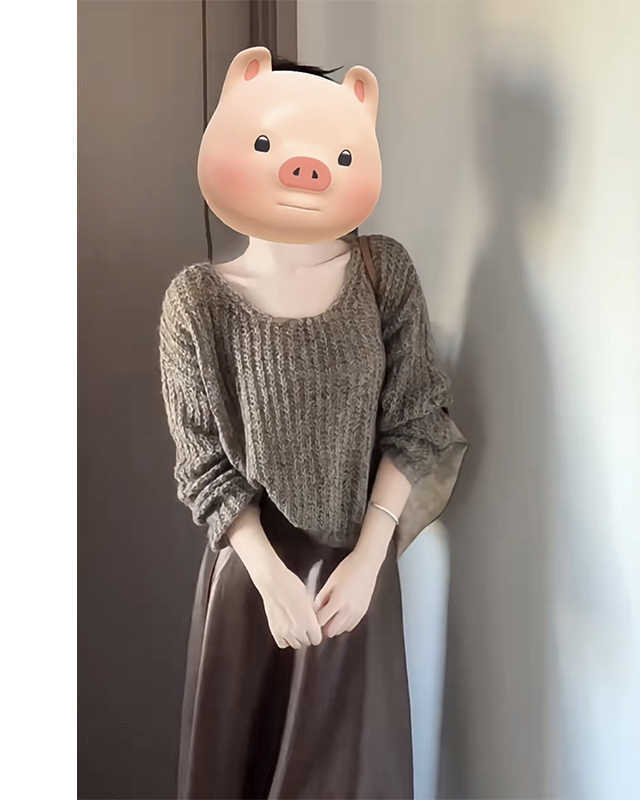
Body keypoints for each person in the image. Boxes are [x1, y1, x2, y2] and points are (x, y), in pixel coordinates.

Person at [158, 46, 469, 798]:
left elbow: (417, 420)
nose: (304, 167)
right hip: (253, 583)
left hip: (357, 575)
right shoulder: (196, 301)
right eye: (273, 140)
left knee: (353, 778)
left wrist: (368, 560)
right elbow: (203, 465)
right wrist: (270, 581)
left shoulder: (381, 272)